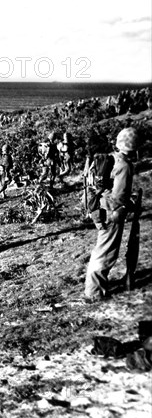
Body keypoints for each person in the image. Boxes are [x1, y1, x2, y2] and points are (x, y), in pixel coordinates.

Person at [84, 127, 139, 302]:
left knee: (102, 250)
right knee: (105, 253)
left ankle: (95, 288)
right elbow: (119, 197)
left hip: (100, 210)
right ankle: (94, 293)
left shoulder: (111, 159)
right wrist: (130, 203)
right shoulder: (124, 165)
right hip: (112, 213)